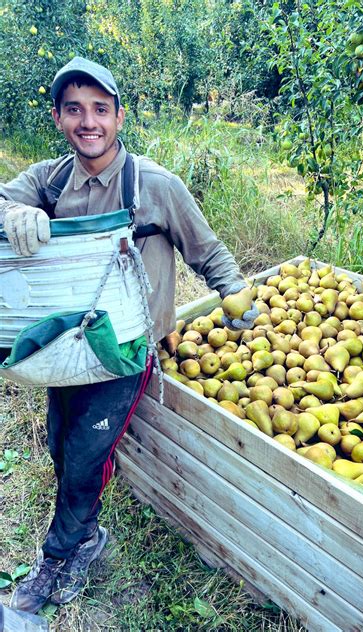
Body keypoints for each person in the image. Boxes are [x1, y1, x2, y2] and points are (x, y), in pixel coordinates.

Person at [0, 57, 257, 614]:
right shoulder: (52, 178)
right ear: (58, 118)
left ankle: (63, 552)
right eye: (74, 110)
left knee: (88, 452)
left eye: (99, 109)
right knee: (60, 444)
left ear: (119, 116)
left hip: (126, 350)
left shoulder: (155, 185)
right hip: (68, 350)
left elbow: (208, 251)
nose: (87, 121)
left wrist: (239, 300)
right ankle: (83, 528)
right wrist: (11, 213)